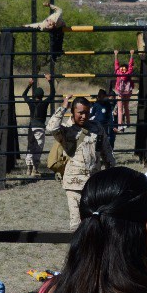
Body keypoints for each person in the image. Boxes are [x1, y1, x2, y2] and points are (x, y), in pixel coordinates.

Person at [46, 96, 111, 229]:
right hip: (74, 185)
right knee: (76, 225)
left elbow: (107, 151)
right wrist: (63, 108)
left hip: (94, 184)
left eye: (86, 112)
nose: (83, 116)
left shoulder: (97, 128)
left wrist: (112, 172)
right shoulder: (65, 130)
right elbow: (51, 127)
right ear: (73, 112)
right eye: (80, 112)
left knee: (95, 223)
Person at [112, 49, 135, 131]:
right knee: (126, 108)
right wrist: (131, 55)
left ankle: (120, 124)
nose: (122, 69)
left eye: (123, 68)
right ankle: (128, 123)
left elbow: (116, 65)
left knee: (120, 109)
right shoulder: (129, 73)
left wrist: (116, 55)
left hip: (120, 93)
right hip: (128, 92)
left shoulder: (118, 73)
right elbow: (131, 65)